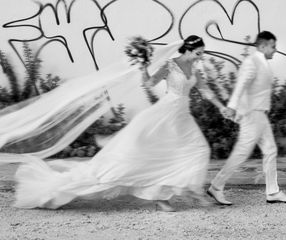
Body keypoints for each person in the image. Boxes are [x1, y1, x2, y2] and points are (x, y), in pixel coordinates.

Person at [4, 35, 226, 211]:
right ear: (188, 49)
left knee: (198, 149)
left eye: (202, 53)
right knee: (150, 154)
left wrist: (222, 107)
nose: (201, 56)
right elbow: (149, 84)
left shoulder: (195, 69)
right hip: (165, 113)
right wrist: (142, 67)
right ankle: (163, 198)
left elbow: (205, 90)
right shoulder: (170, 66)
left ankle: (183, 190)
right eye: (198, 52)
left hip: (182, 115)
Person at [207, 31, 286, 205]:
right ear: (262, 46)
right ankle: (217, 186)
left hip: (259, 114)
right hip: (252, 114)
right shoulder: (252, 62)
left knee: (270, 149)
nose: (275, 50)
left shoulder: (261, 62)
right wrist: (232, 107)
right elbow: (242, 85)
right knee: (242, 152)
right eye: (273, 46)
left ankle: (273, 192)